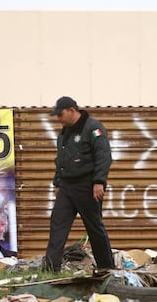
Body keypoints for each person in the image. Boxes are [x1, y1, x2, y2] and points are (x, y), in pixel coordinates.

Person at [44, 96, 115, 274]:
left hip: (87, 185)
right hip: (67, 187)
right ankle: (51, 269)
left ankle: (106, 267)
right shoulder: (65, 132)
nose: (58, 119)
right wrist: (58, 181)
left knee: (94, 227)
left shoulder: (92, 128)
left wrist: (99, 181)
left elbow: (103, 155)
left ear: (72, 110)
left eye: (60, 114)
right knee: (57, 224)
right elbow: (61, 159)